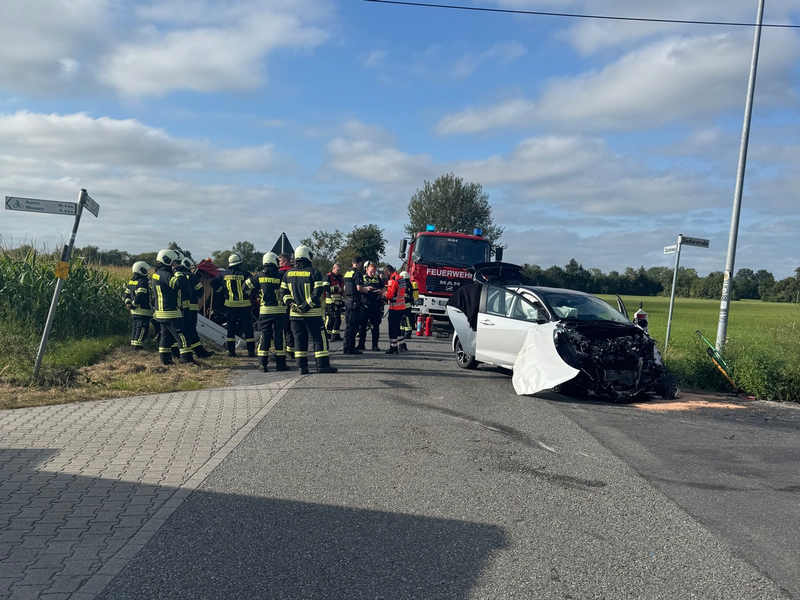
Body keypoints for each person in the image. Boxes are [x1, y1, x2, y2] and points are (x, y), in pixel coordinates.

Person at [280, 245, 337, 374]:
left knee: (299, 340)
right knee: (319, 339)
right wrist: (306, 305)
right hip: (312, 314)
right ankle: (322, 366)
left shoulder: (288, 273)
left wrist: (291, 304)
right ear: (307, 256)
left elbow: (283, 292)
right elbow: (317, 292)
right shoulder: (314, 272)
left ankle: (302, 367)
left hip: (294, 315)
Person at [247, 252, 290, 372]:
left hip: (265, 311)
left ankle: (263, 364)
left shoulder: (259, 276)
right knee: (279, 336)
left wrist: (254, 295)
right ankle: (281, 364)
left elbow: (245, 287)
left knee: (264, 336)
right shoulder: (282, 275)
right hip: (280, 311)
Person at [151, 249, 194, 365]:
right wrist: (178, 271)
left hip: (161, 313)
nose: (176, 263)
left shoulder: (157, 274)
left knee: (166, 338)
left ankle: (165, 361)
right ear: (167, 260)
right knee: (183, 338)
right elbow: (180, 284)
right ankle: (187, 361)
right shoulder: (165, 275)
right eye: (174, 261)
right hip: (171, 313)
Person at [210, 252, 256, 357]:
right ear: (239, 263)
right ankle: (251, 351)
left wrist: (222, 291)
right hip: (244, 305)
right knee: (248, 329)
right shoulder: (246, 274)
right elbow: (252, 287)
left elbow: (213, 283)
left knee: (230, 329)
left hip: (230, 305)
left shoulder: (223, 274)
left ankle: (231, 351)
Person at [178, 256, 214, 359]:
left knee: (183, 330)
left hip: (179, 308)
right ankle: (199, 352)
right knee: (191, 329)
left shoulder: (176, 276)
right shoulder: (192, 276)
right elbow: (200, 291)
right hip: (192, 307)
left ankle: (180, 352)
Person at [124, 261, 153, 351]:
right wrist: (134, 305)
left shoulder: (131, 281)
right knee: (142, 330)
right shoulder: (143, 282)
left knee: (135, 329)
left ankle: (133, 347)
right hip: (142, 311)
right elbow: (141, 295)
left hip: (134, 312)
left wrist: (128, 304)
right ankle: (138, 348)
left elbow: (126, 295)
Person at [359, 261, 385, 351]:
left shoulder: (378, 278)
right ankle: (361, 344)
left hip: (375, 305)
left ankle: (375, 345)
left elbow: (384, 288)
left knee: (375, 327)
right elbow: (358, 288)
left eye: (374, 271)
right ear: (366, 269)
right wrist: (366, 289)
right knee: (363, 326)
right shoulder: (362, 278)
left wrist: (380, 292)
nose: (373, 273)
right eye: (371, 271)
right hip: (364, 305)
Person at [342, 255, 365, 354]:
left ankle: (346, 346)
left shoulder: (347, 273)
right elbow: (359, 288)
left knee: (348, 324)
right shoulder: (357, 274)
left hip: (347, 300)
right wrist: (366, 290)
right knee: (354, 325)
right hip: (354, 301)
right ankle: (351, 348)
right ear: (359, 263)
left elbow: (344, 288)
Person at [382, 264, 407, 354]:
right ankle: (402, 344)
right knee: (397, 327)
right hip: (402, 306)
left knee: (392, 328)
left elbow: (390, 295)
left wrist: (384, 294)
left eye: (385, 273)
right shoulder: (401, 279)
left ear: (388, 272)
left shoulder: (392, 281)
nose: (385, 275)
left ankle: (393, 347)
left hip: (395, 307)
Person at [278, 253, 295, 359]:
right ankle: (291, 350)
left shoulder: (280, 273)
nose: (279, 263)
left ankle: (283, 351)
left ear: (284, 261)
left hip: (282, 304)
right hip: (293, 303)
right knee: (291, 328)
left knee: (283, 329)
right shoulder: (294, 272)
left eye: (280, 261)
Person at [324, 263, 345, 341]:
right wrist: (335, 289)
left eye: (339, 270)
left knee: (337, 319)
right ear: (333, 269)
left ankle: (335, 335)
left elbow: (342, 287)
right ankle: (328, 335)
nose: (338, 271)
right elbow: (325, 287)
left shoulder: (340, 277)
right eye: (337, 270)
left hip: (338, 301)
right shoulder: (328, 276)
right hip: (330, 302)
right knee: (331, 319)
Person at [400, 270, 418, 339]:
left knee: (406, 320)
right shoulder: (408, 284)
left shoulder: (406, 285)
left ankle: (407, 334)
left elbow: (405, 295)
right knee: (403, 319)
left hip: (406, 305)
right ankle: (402, 332)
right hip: (406, 305)